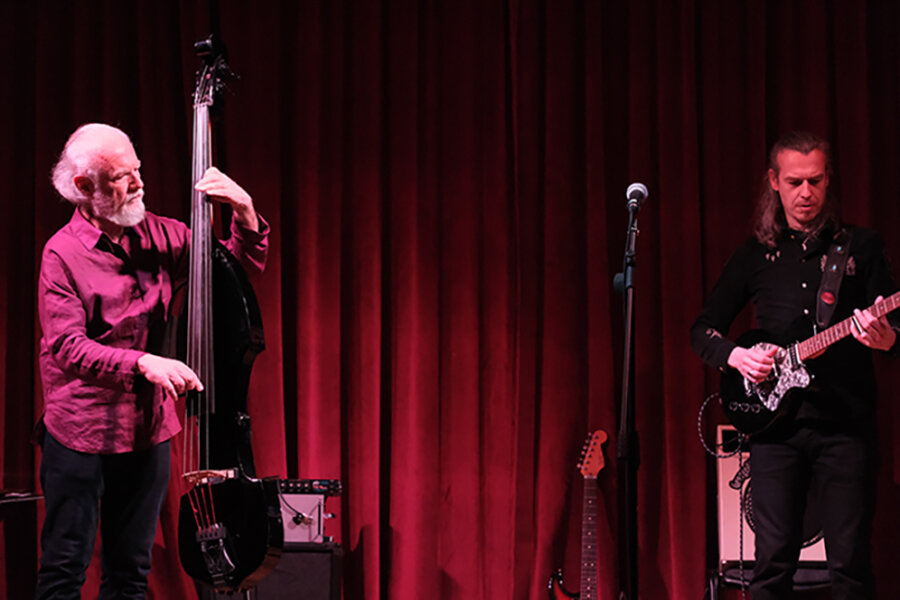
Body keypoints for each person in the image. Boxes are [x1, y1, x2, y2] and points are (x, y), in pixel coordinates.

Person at [34, 123, 269, 599]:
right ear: (84, 186)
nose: (139, 183)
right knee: (64, 570)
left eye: (137, 169)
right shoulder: (61, 253)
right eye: (122, 177)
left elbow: (226, 276)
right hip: (80, 430)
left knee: (130, 574)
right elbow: (67, 346)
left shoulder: (164, 235)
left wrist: (244, 212)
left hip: (146, 428)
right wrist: (142, 362)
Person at [690, 131, 899, 599]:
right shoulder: (754, 254)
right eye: (794, 181)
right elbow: (702, 330)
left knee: (850, 564)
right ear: (774, 181)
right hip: (774, 431)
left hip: (846, 426)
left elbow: (895, 326)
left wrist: (887, 339)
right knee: (770, 564)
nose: (806, 192)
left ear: (828, 180)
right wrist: (737, 356)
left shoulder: (861, 247)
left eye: (815, 181)